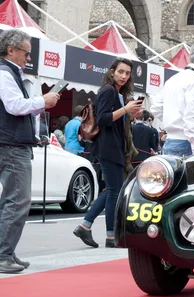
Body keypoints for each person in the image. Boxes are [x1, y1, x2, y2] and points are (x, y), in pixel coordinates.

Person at [0, 29, 59, 273]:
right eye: (26, 52)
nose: (28, 57)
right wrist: (42, 101)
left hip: (13, 143)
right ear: (11, 50)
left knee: (11, 201)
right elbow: (14, 106)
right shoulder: (5, 73)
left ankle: (7, 252)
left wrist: (38, 105)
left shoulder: (10, 72)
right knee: (18, 200)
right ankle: (3, 255)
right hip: (13, 146)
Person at [73, 58, 143, 249]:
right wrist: (126, 109)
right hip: (108, 147)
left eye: (127, 73)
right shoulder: (108, 90)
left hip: (114, 147)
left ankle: (86, 226)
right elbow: (103, 118)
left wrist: (130, 113)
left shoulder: (117, 93)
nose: (124, 76)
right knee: (114, 191)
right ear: (112, 72)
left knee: (114, 189)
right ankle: (110, 235)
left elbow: (116, 120)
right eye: (120, 72)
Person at [151, 41, 194, 156]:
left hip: (170, 140)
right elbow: (192, 116)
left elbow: (156, 107)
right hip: (187, 143)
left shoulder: (174, 79)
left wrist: (173, 120)